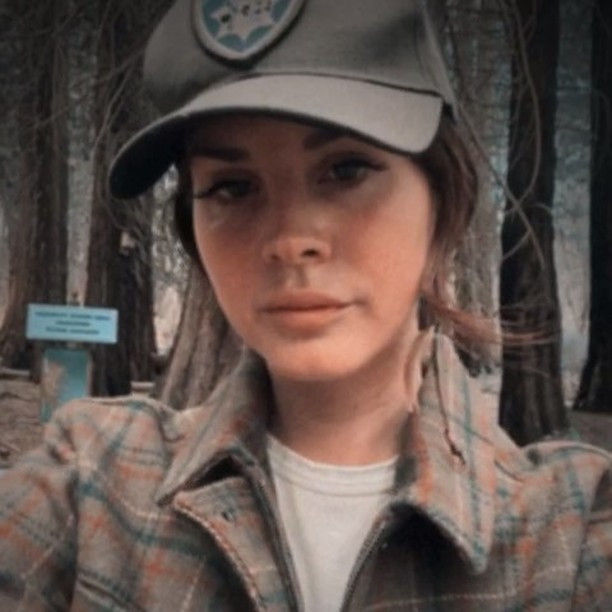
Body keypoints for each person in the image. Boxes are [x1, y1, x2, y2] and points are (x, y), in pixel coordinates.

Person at [1, 0, 610, 610]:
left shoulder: (573, 533)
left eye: (346, 170)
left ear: (443, 200)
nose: (291, 239)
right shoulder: (91, 481)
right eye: (233, 187)